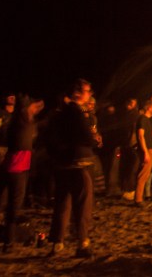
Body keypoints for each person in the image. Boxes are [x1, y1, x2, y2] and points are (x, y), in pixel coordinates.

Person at [46, 79, 98, 258]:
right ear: (77, 93)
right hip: (79, 164)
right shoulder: (76, 112)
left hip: (62, 166)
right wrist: (94, 140)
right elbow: (86, 136)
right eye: (87, 90)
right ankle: (82, 243)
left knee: (62, 204)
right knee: (83, 204)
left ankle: (57, 243)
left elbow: (49, 140)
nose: (89, 94)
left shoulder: (57, 114)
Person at [0, 95, 43, 251]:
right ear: (26, 108)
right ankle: (8, 243)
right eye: (32, 107)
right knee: (14, 206)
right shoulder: (23, 124)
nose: (34, 109)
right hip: (18, 168)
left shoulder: (15, 121)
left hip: (7, 165)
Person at [130, 100, 152, 205]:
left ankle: (139, 198)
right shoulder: (142, 119)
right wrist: (145, 151)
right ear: (149, 108)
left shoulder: (147, 120)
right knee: (143, 175)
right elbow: (141, 135)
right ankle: (138, 200)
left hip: (150, 149)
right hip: (147, 150)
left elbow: (146, 134)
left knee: (145, 175)